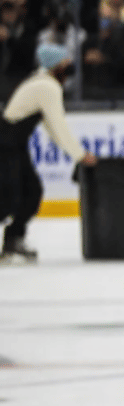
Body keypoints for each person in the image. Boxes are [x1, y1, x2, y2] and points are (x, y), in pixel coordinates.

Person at [1, 45, 98, 264]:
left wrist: (78, 154)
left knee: (31, 191)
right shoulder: (47, 87)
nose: (69, 67)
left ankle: (13, 240)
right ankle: (13, 240)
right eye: (65, 63)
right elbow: (59, 126)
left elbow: (52, 129)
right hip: (5, 144)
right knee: (8, 198)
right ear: (55, 66)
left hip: (14, 145)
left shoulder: (43, 84)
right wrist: (80, 155)